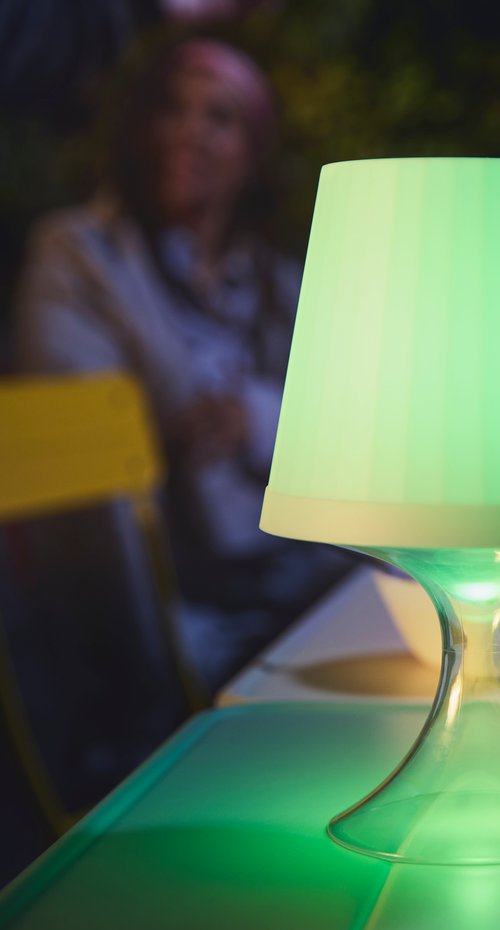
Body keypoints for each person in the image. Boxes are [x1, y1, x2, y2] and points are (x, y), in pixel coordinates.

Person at [13, 38, 350, 686]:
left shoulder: (276, 283)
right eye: (173, 108)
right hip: (163, 611)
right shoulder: (80, 254)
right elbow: (82, 450)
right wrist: (181, 427)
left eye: (219, 117)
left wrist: (249, 416)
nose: (190, 132)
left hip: (301, 578)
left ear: (253, 153)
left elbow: (351, 430)